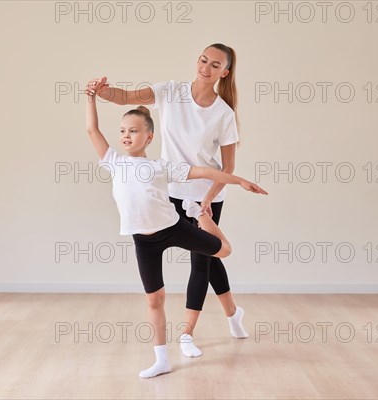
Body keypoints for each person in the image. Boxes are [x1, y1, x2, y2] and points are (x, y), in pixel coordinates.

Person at [85, 85, 267, 378]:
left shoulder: (161, 166)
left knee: (224, 251)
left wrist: (240, 181)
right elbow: (92, 130)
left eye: (133, 131)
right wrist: (91, 98)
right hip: (144, 242)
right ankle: (161, 360)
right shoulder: (114, 162)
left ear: (149, 137)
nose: (126, 136)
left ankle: (199, 215)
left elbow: (206, 172)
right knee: (154, 300)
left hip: (174, 228)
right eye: (122, 131)